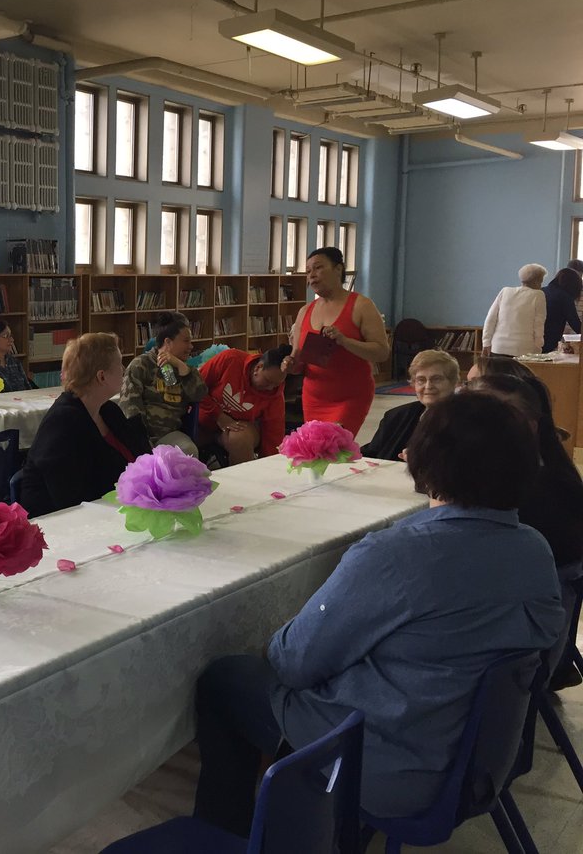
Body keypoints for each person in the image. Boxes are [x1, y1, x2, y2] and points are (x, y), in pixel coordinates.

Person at [191, 391, 561, 838]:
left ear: (424, 460)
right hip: (480, 759)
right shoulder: (535, 548)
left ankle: (228, 838)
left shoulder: (397, 555)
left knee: (224, 679)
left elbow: (293, 663)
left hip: (389, 765)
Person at [468, 372, 583, 690]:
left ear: (529, 424)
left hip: (515, 668)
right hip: (529, 654)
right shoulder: (546, 471)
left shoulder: (533, 497)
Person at [20, 333, 150, 517]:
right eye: (119, 364)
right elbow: (72, 499)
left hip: (115, 509)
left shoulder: (108, 410)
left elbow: (141, 458)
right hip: (62, 523)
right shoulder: (63, 423)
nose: (124, 369)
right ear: (102, 377)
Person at [289, 247, 390, 437]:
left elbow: (381, 352)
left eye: (318, 268)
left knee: (334, 446)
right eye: (308, 271)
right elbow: (298, 357)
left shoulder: (362, 305)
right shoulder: (305, 311)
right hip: (314, 395)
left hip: (350, 396)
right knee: (316, 451)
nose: (312, 276)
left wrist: (344, 341)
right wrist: (290, 364)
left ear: (338, 269)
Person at [119, 312, 206, 452]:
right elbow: (130, 408)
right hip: (142, 436)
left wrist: (183, 368)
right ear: (168, 342)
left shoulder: (184, 368)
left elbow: (199, 395)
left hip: (170, 435)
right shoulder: (141, 365)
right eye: (186, 341)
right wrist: (143, 442)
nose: (191, 346)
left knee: (188, 450)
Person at [196, 344, 293, 465]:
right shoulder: (230, 359)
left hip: (238, 428)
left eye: (276, 384)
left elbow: (273, 434)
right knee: (184, 442)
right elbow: (196, 388)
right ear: (258, 367)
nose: (271, 388)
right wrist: (219, 416)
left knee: (240, 438)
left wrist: (269, 466)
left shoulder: (275, 395)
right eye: (268, 381)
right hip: (205, 420)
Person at [360, 349, 459, 461]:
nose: (428, 386)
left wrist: (425, 462)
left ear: (453, 383)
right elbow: (370, 453)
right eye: (421, 380)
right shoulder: (396, 416)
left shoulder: (469, 421)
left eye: (436, 379)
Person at [482, 263, 547, 357]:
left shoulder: (505, 291)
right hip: (524, 349)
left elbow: (490, 319)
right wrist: (538, 347)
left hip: (498, 347)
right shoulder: (538, 295)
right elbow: (538, 325)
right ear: (537, 281)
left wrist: (486, 343)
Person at [542, 267, 582, 352]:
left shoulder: (542, 291)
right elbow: (576, 324)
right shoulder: (564, 297)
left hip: (535, 338)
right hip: (550, 341)